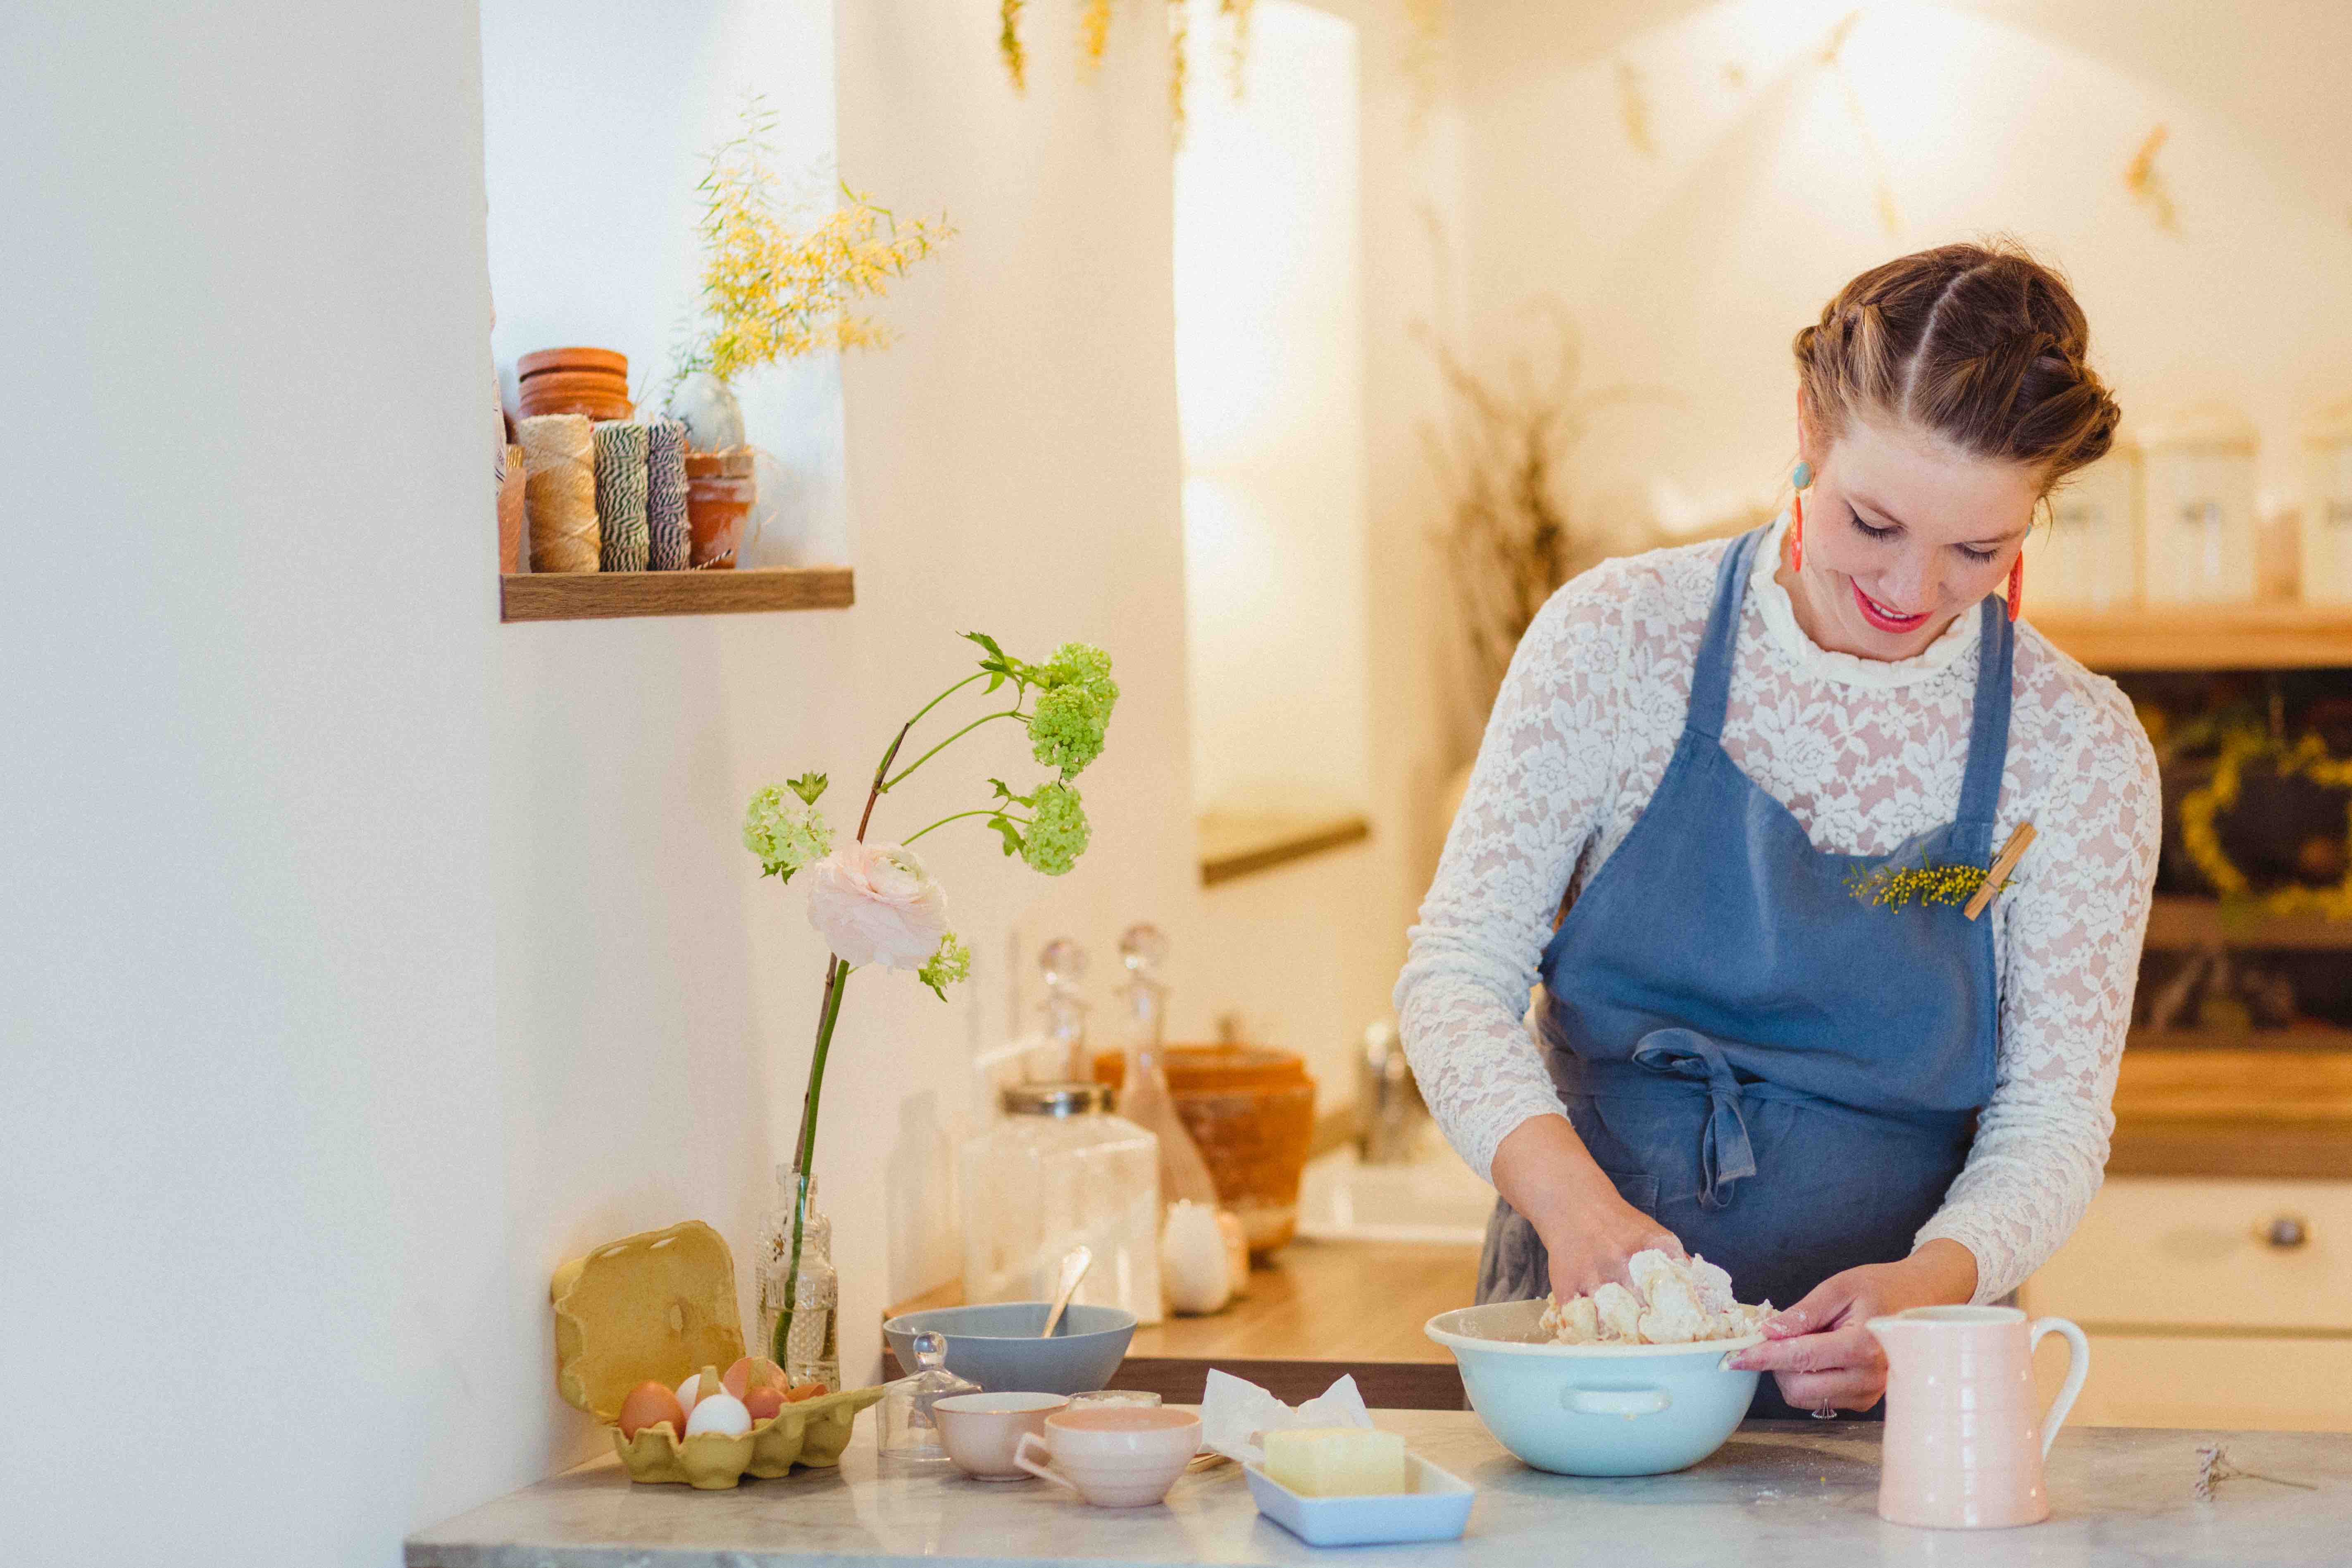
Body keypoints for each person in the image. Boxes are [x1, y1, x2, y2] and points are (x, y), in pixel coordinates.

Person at [1394, 242, 2160, 1419]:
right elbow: (1453, 975)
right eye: (1872, 522)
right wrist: (1577, 1216)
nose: (1910, 590)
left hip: (1902, 1383)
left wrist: (1928, 1290)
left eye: (1978, 551)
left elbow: (2051, 1116)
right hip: (1589, 1351)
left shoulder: (2076, 747)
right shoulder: (1615, 639)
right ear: (1806, 422)